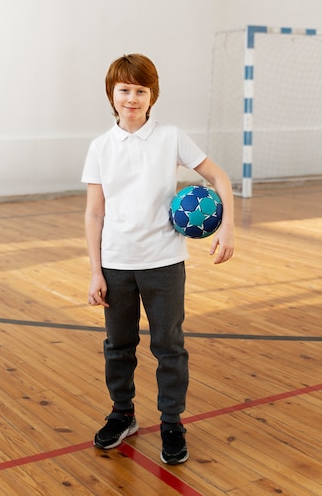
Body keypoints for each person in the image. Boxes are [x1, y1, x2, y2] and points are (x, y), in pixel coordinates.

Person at [81, 53, 234, 465]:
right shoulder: (99, 147)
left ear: (152, 96)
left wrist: (228, 226)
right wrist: (95, 271)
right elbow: (95, 212)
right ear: (112, 95)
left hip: (164, 262)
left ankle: (171, 422)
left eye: (141, 91)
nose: (132, 98)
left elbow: (219, 177)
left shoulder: (171, 137)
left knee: (169, 346)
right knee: (119, 345)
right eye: (125, 90)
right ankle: (123, 414)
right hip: (116, 264)